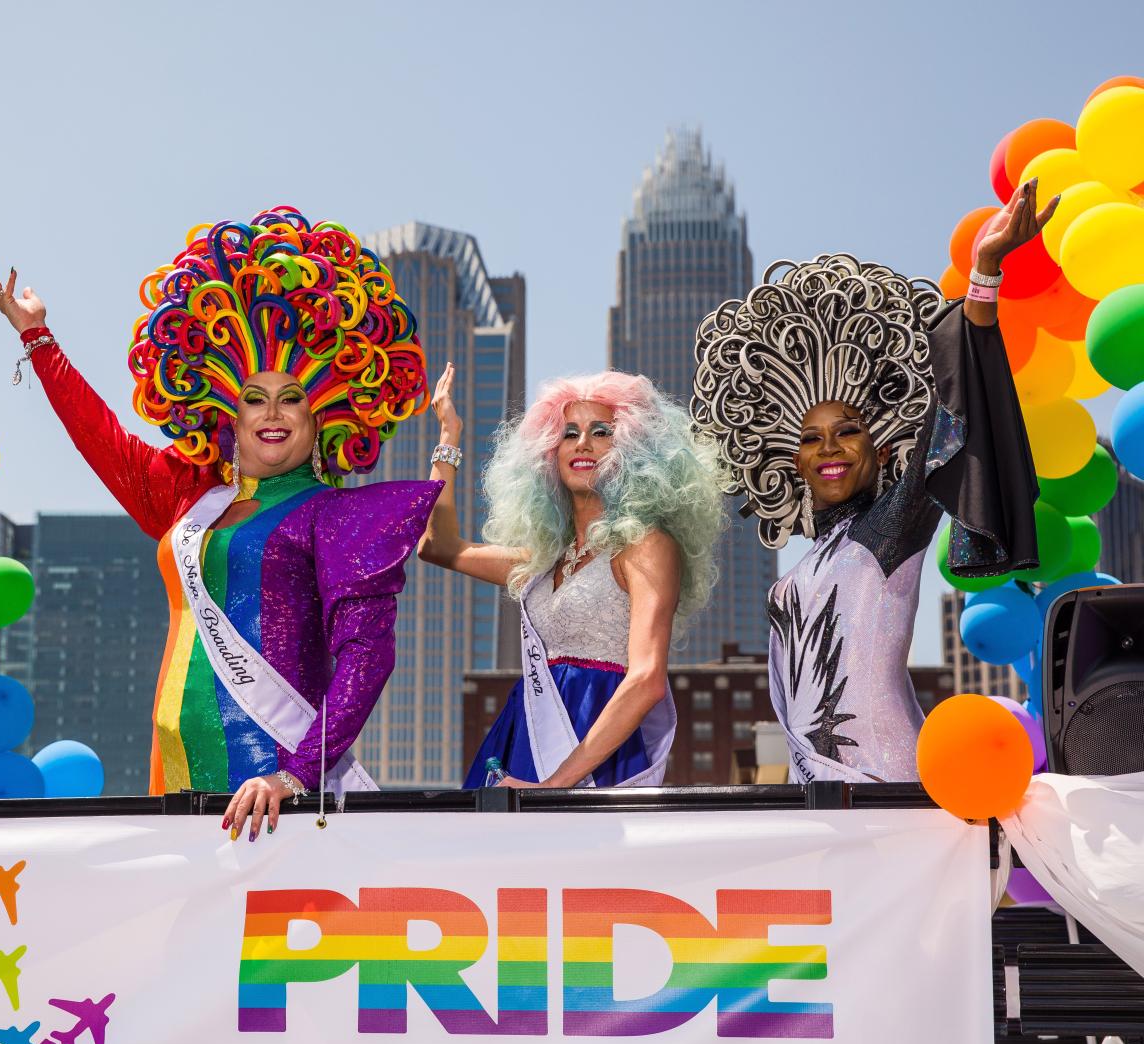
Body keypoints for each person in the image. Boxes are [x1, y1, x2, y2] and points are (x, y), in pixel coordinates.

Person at [0, 208, 439, 839]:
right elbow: (100, 437)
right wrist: (38, 339)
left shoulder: (335, 516)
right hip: (170, 776)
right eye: (254, 398)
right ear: (228, 413)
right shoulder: (189, 499)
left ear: (323, 413)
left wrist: (297, 774)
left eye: (292, 397)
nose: (272, 414)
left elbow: (367, 655)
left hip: (274, 788)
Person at [690, 180, 1052, 783]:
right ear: (794, 461)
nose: (829, 448)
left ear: (881, 450)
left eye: (847, 431)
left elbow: (952, 411)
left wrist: (985, 273)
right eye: (811, 438)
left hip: (889, 785)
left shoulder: (889, 529)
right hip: (815, 794)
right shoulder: (804, 567)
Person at [418, 367, 726, 788]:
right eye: (569, 433)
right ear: (550, 453)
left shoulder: (645, 546)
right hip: (526, 734)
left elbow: (647, 680)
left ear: (634, 450)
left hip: (594, 749)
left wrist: (554, 787)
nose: (583, 443)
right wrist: (449, 436)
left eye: (601, 432)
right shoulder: (546, 561)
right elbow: (438, 547)